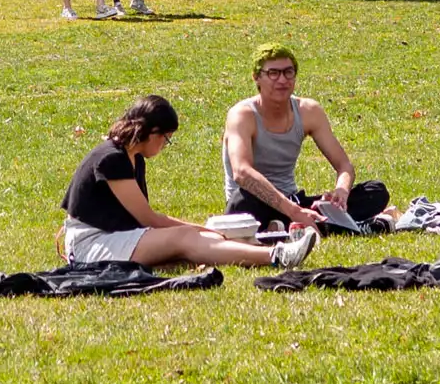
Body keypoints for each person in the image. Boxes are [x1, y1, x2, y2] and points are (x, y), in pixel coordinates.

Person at [59, 94, 319, 270]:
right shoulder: (111, 159)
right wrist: (200, 229)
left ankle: (265, 245)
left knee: (186, 242)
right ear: (152, 133)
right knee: (184, 238)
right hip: (91, 245)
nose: (164, 145)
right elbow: (149, 219)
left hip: (115, 236)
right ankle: (277, 256)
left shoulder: (132, 158)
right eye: (166, 138)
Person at [220, 42, 399, 232]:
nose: (282, 80)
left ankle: (288, 227)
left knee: (375, 191)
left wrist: (341, 191)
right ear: (256, 78)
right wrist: (295, 212)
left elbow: (344, 166)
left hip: (293, 200)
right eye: (273, 73)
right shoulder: (242, 115)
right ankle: (325, 226)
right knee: (242, 202)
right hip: (254, 204)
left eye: (288, 72)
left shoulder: (308, 111)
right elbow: (242, 173)